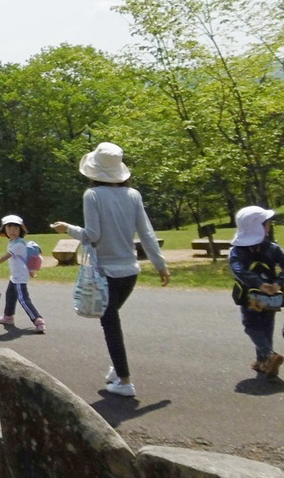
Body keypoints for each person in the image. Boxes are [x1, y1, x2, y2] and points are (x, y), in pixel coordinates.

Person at [51, 142, 170, 398]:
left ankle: (125, 381)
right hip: (130, 272)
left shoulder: (92, 196)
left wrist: (67, 228)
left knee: (110, 323)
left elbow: (92, 235)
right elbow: (147, 233)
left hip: (106, 273)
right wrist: (161, 265)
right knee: (112, 319)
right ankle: (118, 371)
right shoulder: (133, 195)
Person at [229, 206, 284, 379]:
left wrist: (258, 284)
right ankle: (263, 362)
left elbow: (238, 270)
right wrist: (278, 283)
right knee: (266, 327)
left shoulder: (237, 251)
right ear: (258, 227)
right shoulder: (272, 248)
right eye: (267, 223)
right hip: (272, 296)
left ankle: (269, 355)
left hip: (251, 297)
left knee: (251, 326)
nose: (269, 226)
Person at [0, 215, 46, 333]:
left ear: (21, 230)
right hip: (16, 276)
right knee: (10, 295)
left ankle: (37, 320)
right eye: (9, 228)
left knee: (23, 299)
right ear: (4, 230)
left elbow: (4, 258)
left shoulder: (18, 244)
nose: (12, 231)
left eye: (16, 228)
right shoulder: (14, 242)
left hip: (20, 277)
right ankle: (8, 317)